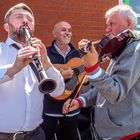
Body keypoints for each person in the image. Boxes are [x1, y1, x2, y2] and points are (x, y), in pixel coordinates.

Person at [63, 4, 140, 140]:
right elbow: (105, 87)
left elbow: (115, 92)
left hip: (126, 134)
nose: (107, 29)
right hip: (110, 132)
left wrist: (93, 68)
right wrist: (82, 100)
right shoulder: (120, 48)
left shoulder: (135, 50)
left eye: (112, 24)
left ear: (128, 23)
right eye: (107, 24)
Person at [0, 3, 64, 140]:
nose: (25, 21)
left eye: (29, 19)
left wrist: (46, 63)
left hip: (36, 135)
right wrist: (13, 68)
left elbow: (58, 91)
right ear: (7, 27)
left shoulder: (39, 53)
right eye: (19, 17)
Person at [42, 21, 91, 140]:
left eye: (69, 30)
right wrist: (60, 76)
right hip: (49, 108)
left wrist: (86, 80)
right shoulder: (45, 53)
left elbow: (85, 87)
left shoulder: (79, 54)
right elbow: (39, 78)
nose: (67, 33)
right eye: (63, 30)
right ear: (54, 33)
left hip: (71, 108)